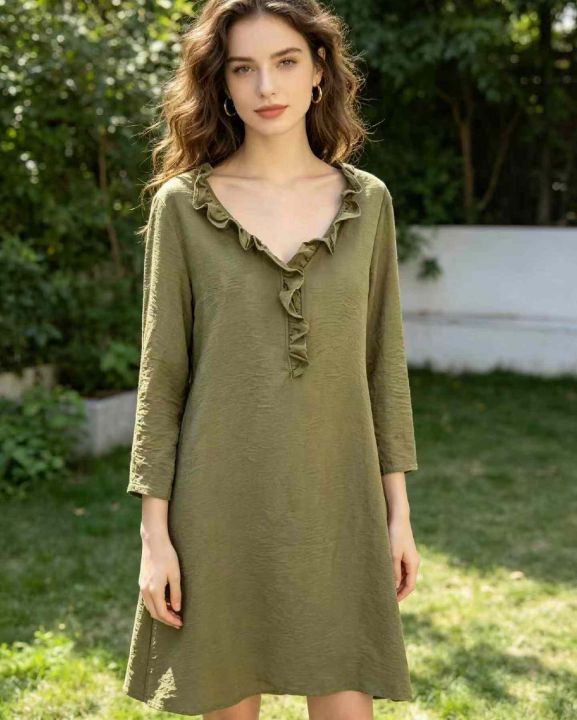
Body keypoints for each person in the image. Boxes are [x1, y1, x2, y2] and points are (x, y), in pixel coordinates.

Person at [122, 1, 421, 718]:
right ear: (220, 84)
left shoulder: (368, 203)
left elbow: (383, 366)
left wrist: (398, 513)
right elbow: (161, 380)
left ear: (319, 70)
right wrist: (155, 538)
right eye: (242, 68)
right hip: (216, 507)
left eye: (285, 61)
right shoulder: (182, 207)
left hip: (340, 502)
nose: (266, 87)